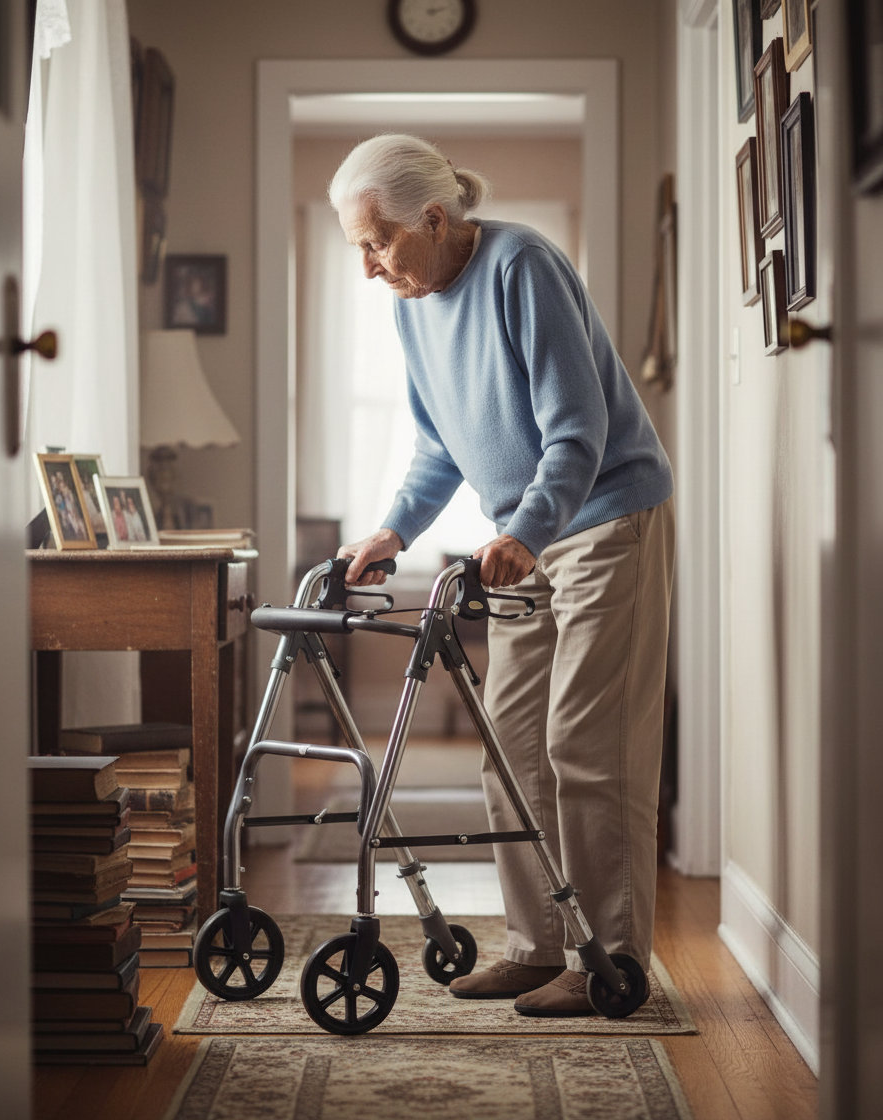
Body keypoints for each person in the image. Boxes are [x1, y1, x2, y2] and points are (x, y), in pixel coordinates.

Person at [330, 134, 675, 1017]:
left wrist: (525, 528)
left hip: (603, 524)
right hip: (524, 540)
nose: (369, 268)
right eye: (357, 250)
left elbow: (578, 427)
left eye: (378, 243)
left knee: (587, 749)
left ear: (434, 219)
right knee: (511, 746)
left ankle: (612, 959)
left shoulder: (523, 264)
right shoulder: (413, 305)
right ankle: (536, 945)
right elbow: (439, 445)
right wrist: (392, 530)